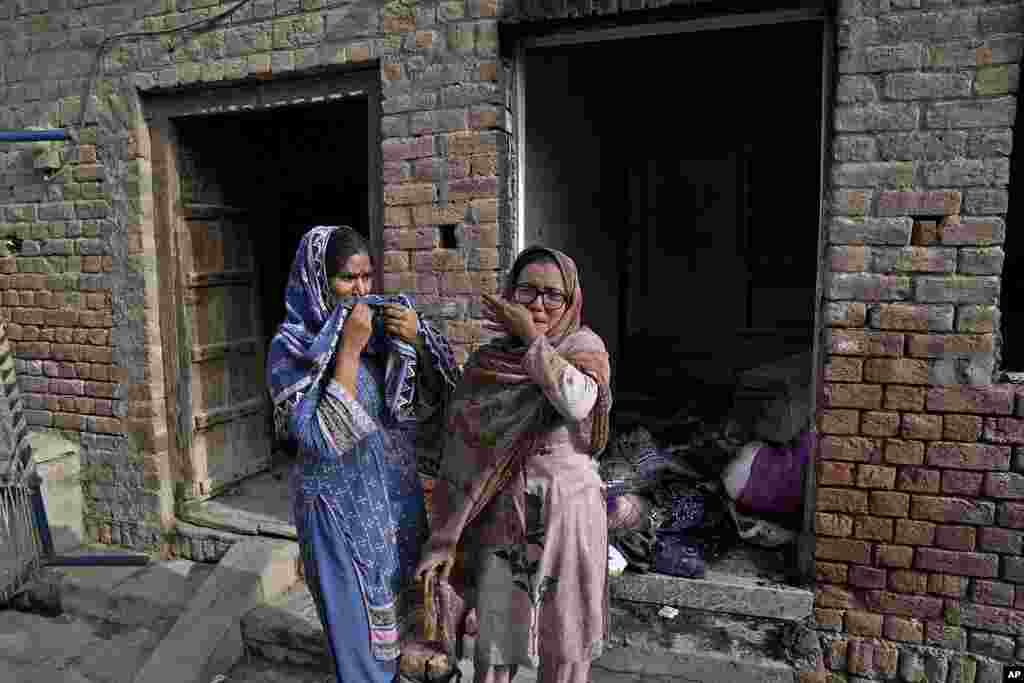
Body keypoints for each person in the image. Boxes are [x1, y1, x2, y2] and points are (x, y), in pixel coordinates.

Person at [267, 225, 459, 683]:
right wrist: (348, 351)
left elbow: (429, 409)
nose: (361, 291)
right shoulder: (291, 349)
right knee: (358, 648)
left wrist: (416, 342)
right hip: (338, 515)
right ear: (318, 280)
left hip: (391, 505)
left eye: (367, 277)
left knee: (400, 637)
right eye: (347, 279)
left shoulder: (379, 339)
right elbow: (321, 439)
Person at [415, 246, 613, 683]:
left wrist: (532, 340)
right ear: (511, 293)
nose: (539, 304)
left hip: (568, 516)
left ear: (571, 300)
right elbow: (462, 440)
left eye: (552, 295)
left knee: (566, 639)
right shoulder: (490, 361)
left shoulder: (584, 347)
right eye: (527, 292)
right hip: (505, 518)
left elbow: (577, 402)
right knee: (498, 634)